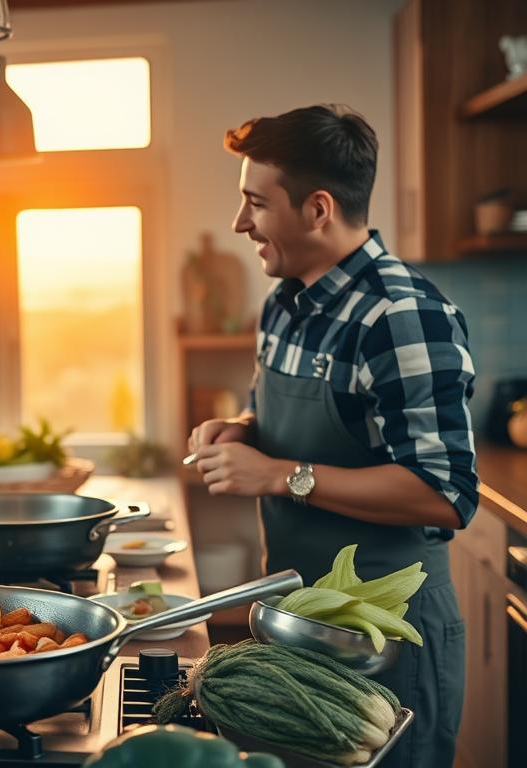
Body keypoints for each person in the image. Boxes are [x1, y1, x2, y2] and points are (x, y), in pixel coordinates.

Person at [187, 105, 475, 768]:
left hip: (386, 643)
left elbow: (447, 494)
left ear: (317, 209)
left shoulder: (402, 315)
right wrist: (238, 431)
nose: (240, 224)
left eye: (255, 204)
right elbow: (277, 418)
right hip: (296, 622)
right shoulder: (285, 301)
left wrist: (280, 475)